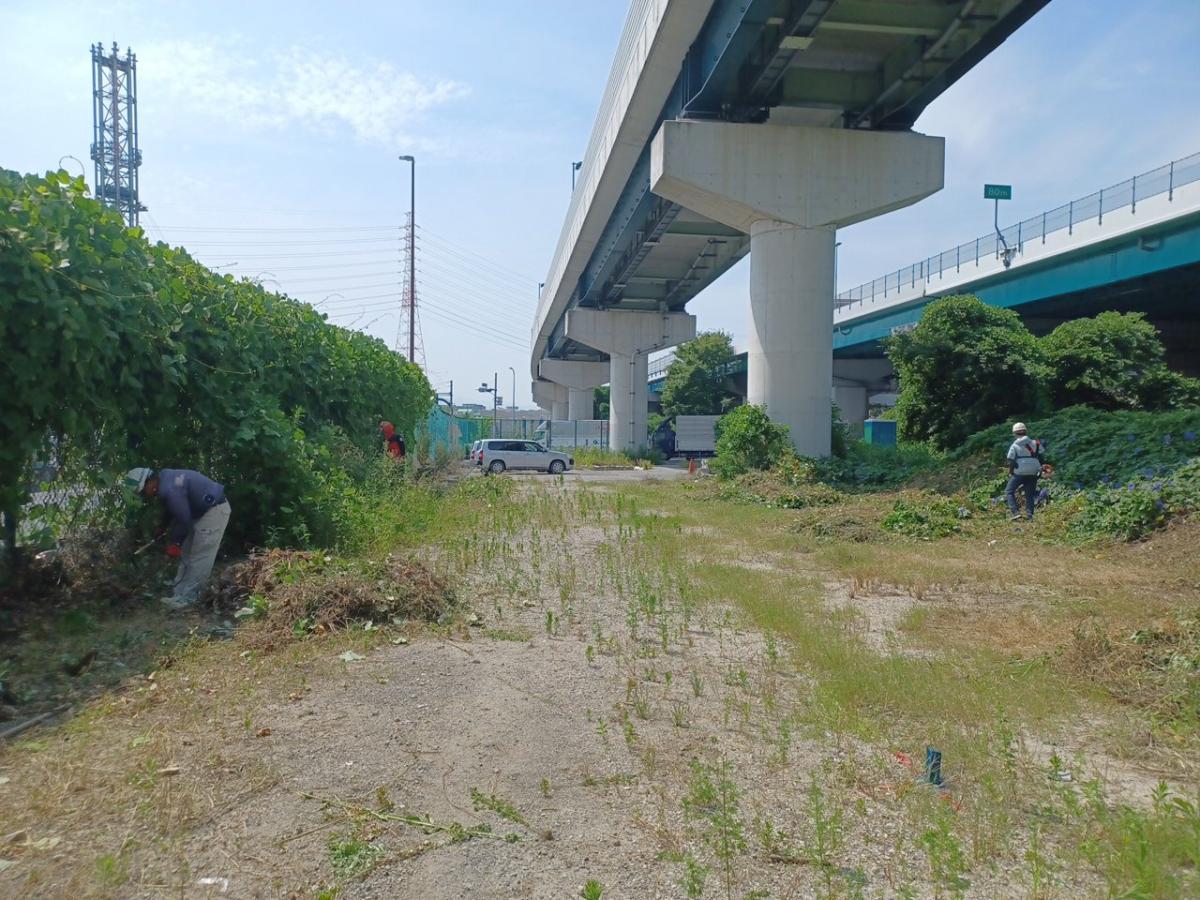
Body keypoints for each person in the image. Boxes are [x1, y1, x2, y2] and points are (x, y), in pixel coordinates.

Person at [125, 467, 231, 610]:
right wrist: (162, 527)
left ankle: (191, 599)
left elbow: (183, 519)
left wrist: (176, 543)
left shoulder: (169, 488)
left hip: (214, 511)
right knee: (187, 555)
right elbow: (172, 509)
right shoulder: (165, 480)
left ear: (148, 482)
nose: (145, 495)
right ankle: (179, 596)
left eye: (143, 491)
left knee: (200, 557)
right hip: (200, 512)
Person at [1004, 422, 1045, 521]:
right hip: (1034, 471)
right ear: (1026, 432)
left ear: (1014, 433)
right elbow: (1042, 455)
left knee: (1009, 491)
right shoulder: (1035, 443)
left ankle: (1015, 513)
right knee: (1029, 494)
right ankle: (1030, 516)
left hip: (1020, 471)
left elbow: (1011, 460)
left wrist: (1011, 471)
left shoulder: (1015, 445)